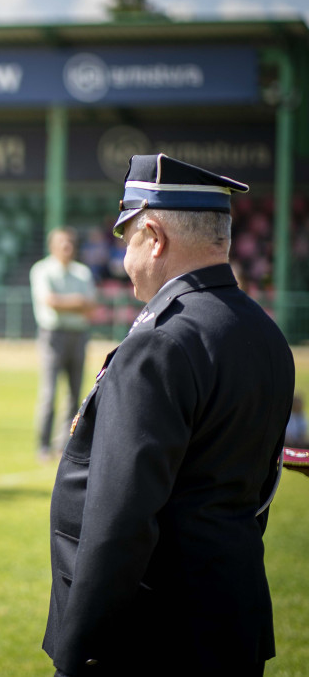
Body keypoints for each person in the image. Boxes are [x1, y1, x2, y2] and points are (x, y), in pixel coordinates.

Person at [44, 154, 295, 676]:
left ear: (154, 237)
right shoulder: (266, 335)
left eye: (128, 237)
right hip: (232, 612)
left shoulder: (160, 343)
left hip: (151, 635)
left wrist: (83, 643)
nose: (124, 255)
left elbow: (120, 517)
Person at [29, 226, 97, 461]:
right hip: (53, 335)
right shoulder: (42, 269)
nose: (67, 248)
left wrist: (71, 303)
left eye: (70, 243)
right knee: (49, 392)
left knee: (75, 394)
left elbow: (91, 305)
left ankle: (64, 445)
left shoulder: (83, 273)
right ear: (52, 246)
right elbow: (49, 301)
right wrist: (77, 302)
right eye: (62, 243)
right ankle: (43, 445)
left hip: (78, 335)